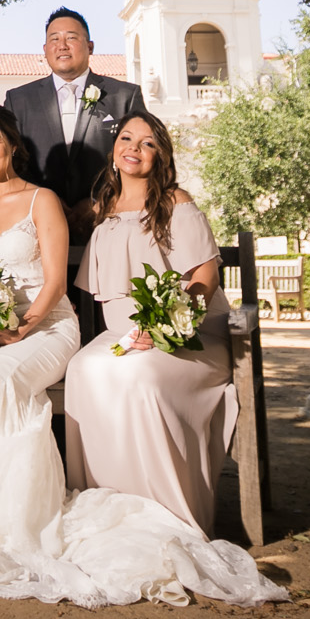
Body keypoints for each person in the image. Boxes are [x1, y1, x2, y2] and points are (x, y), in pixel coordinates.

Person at [0, 106, 282, 608]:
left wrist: (21, 329)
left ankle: (70, 513)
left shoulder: (90, 200)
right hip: (16, 331)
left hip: (56, 326)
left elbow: (63, 284)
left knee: (28, 380)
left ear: (13, 145)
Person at [63, 110, 236, 535]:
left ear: (160, 155)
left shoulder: (176, 202)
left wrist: (165, 329)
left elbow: (206, 278)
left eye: (147, 143)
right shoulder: (102, 207)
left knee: (139, 376)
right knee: (84, 369)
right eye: (126, 138)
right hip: (121, 336)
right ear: (114, 149)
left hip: (186, 338)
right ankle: (105, 506)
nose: (134, 149)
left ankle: (161, 515)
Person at [3, 8, 141, 240]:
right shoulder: (19, 100)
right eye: (54, 39)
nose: (62, 45)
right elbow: (9, 164)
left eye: (71, 38)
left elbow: (145, 158)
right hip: (38, 230)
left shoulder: (125, 96)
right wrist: (44, 201)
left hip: (111, 226)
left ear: (90, 47)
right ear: (45, 50)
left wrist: (103, 202)